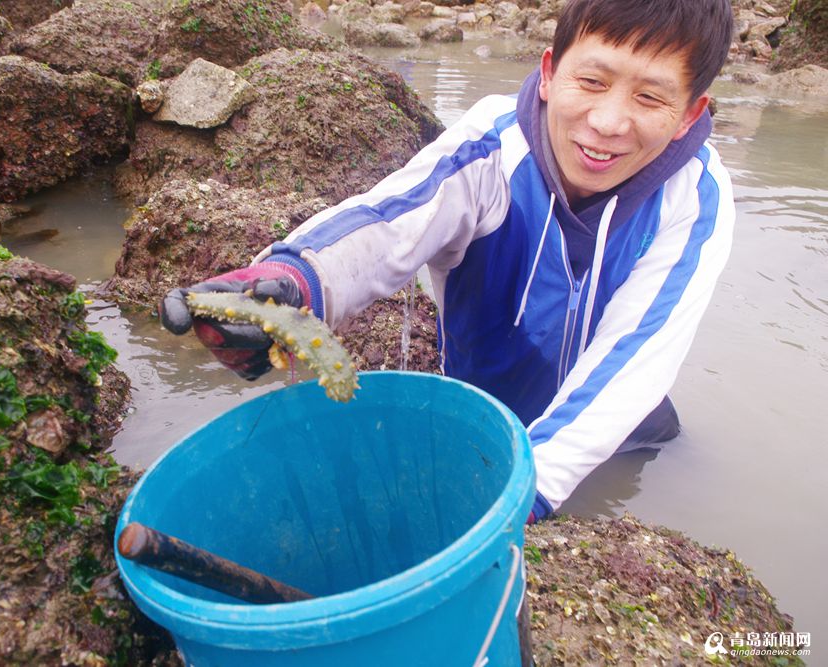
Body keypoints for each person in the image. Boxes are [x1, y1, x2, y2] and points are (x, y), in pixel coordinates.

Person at [161, 0, 736, 522]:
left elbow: (637, 355)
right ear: (548, 73)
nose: (608, 122)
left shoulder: (696, 195)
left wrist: (523, 490)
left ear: (689, 113)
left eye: (650, 98)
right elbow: (390, 223)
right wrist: (294, 280)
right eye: (591, 81)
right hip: (479, 416)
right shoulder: (490, 145)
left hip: (626, 433)